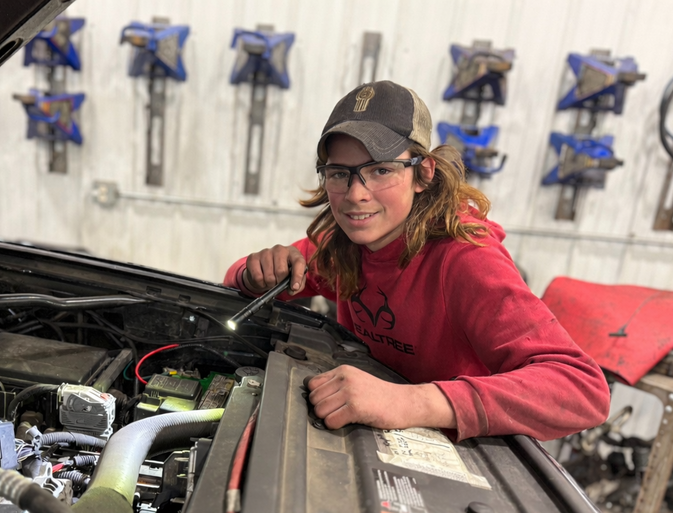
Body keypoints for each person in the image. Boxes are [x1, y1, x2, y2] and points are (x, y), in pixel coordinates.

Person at [223, 81, 610, 441]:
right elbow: (234, 281)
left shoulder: (465, 259)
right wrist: (257, 273)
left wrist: (410, 401)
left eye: (381, 170)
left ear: (423, 172)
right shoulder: (344, 244)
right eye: (340, 174)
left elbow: (582, 390)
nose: (356, 195)